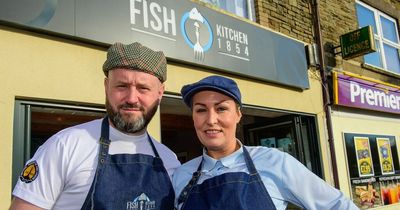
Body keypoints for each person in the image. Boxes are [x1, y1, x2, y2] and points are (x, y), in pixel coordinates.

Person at [10, 42, 181, 210]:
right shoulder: (65, 146)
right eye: (122, 86)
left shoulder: (170, 160)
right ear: (107, 87)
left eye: (143, 88)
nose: (131, 98)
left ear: (160, 93)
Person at [172, 75, 359, 210]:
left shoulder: (275, 162)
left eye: (221, 108)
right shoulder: (182, 175)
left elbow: (339, 206)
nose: (211, 120)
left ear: (238, 115)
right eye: (201, 110)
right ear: (193, 118)